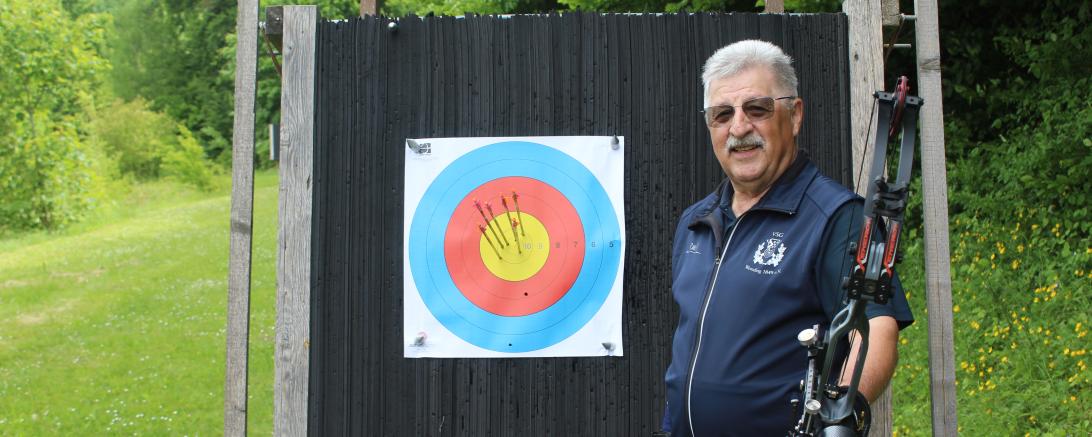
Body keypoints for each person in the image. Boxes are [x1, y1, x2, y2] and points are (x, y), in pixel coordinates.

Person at [659, 40, 914, 436]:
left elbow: (876, 329)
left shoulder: (834, 216)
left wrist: (838, 414)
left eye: (757, 109)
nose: (739, 128)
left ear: (794, 115)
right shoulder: (696, 222)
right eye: (722, 114)